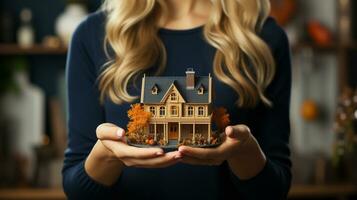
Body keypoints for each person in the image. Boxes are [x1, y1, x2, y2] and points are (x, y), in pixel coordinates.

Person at [62, 0, 292, 199]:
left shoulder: (263, 38)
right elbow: (77, 190)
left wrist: (244, 151)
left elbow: (273, 189)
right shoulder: (93, 34)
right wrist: (107, 154)